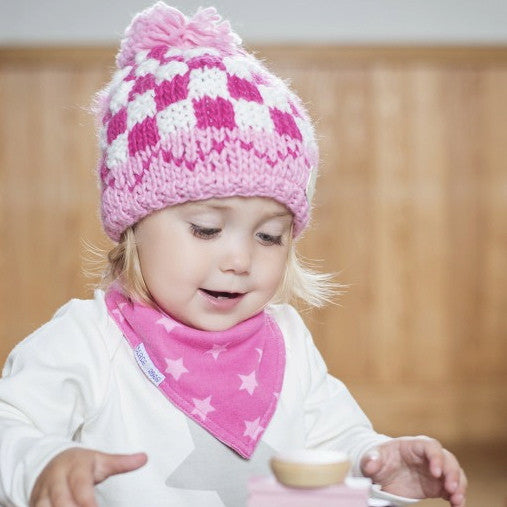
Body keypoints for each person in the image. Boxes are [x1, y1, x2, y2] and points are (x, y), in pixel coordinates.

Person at [0, 3, 467, 506]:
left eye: (269, 237)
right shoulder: (88, 342)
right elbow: (10, 427)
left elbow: (332, 443)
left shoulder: (286, 340)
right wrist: (43, 463)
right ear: (135, 225)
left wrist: (376, 462)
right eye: (206, 229)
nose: (241, 260)